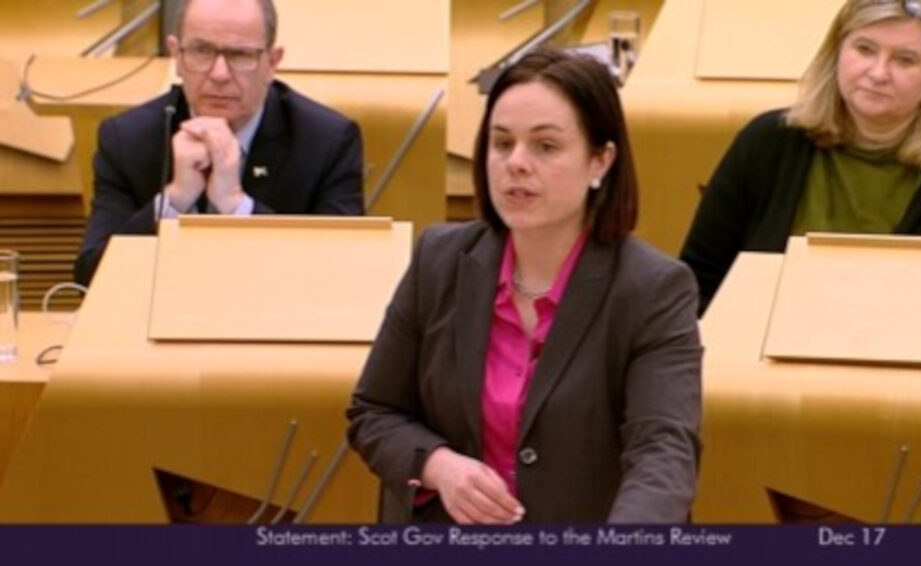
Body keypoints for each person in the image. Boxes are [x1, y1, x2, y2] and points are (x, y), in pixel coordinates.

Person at [347, 48, 702, 524]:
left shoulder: (655, 289)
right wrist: (438, 465)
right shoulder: (438, 260)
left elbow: (663, 453)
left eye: (545, 146)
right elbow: (374, 412)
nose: (516, 163)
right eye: (501, 143)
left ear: (600, 161)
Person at [680, 0, 921, 315]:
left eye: (904, 59)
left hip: (909, 374)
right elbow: (697, 284)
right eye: (864, 49)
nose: (878, 73)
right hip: (757, 365)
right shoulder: (767, 142)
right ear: (837, 50)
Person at [74, 0, 364, 285]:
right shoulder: (128, 139)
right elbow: (89, 278)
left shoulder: (327, 141)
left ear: (272, 63)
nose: (219, 74)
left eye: (240, 55)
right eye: (201, 51)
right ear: (176, 55)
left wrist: (236, 207)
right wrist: (174, 201)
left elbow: (343, 277)